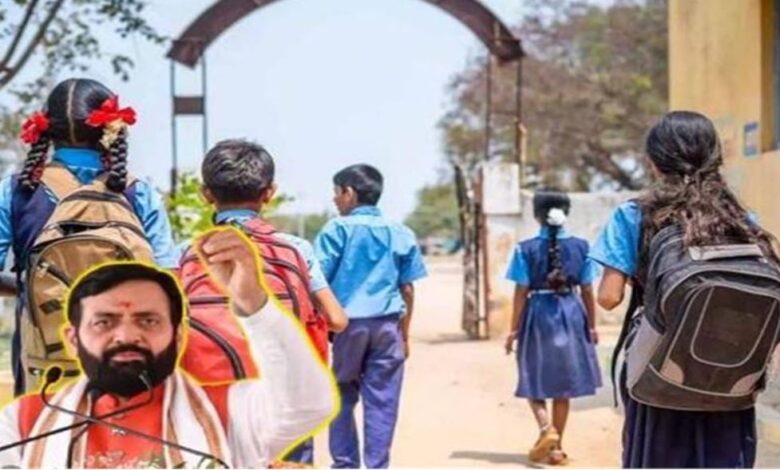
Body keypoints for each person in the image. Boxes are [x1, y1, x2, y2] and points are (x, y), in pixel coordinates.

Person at [0, 228, 336, 468]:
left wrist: (253, 302)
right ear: (73, 339)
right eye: (105, 322)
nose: (126, 336)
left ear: (178, 336)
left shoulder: (226, 413)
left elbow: (307, 405)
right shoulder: (25, 422)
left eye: (147, 321)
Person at [590, 111, 778, 467]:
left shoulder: (634, 215)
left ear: (654, 161)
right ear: (715, 158)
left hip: (660, 370)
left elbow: (609, 298)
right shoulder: (741, 219)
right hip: (731, 371)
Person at [4, 78, 178, 395]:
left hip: (45, 366)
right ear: (111, 128)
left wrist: (35, 285)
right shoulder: (138, 193)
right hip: (128, 365)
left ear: (46, 129)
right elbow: (169, 276)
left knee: (42, 426)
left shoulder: (16, 191)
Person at [180, 139, 347, 465]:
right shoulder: (295, 249)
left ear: (206, 194)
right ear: (269, 192)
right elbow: (338, 320)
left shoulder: (187, 254)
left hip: (213, 398)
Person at [315, 163, 427, 469]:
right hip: (388, 327)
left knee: (340, 394)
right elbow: (408, 289)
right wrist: (404, 336)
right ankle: (378, 466)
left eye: (337, 192)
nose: (334, 199)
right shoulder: (401, 232)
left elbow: (317, 281)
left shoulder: (336, 230)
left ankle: (345, 464)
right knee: (383, 400)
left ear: (349, 193)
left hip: (347, 327)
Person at [504, 189, 602, 465]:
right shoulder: (582, 247)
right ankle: (556, 450)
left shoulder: (524, 249)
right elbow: (587, 290)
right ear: (566, 213)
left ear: (537, 216)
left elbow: (520, 292)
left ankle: (546, 429)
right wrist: (591, 326)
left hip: (538, 315)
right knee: (563, 385)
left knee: (532, 377)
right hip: (571, 313)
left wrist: (513, 330)